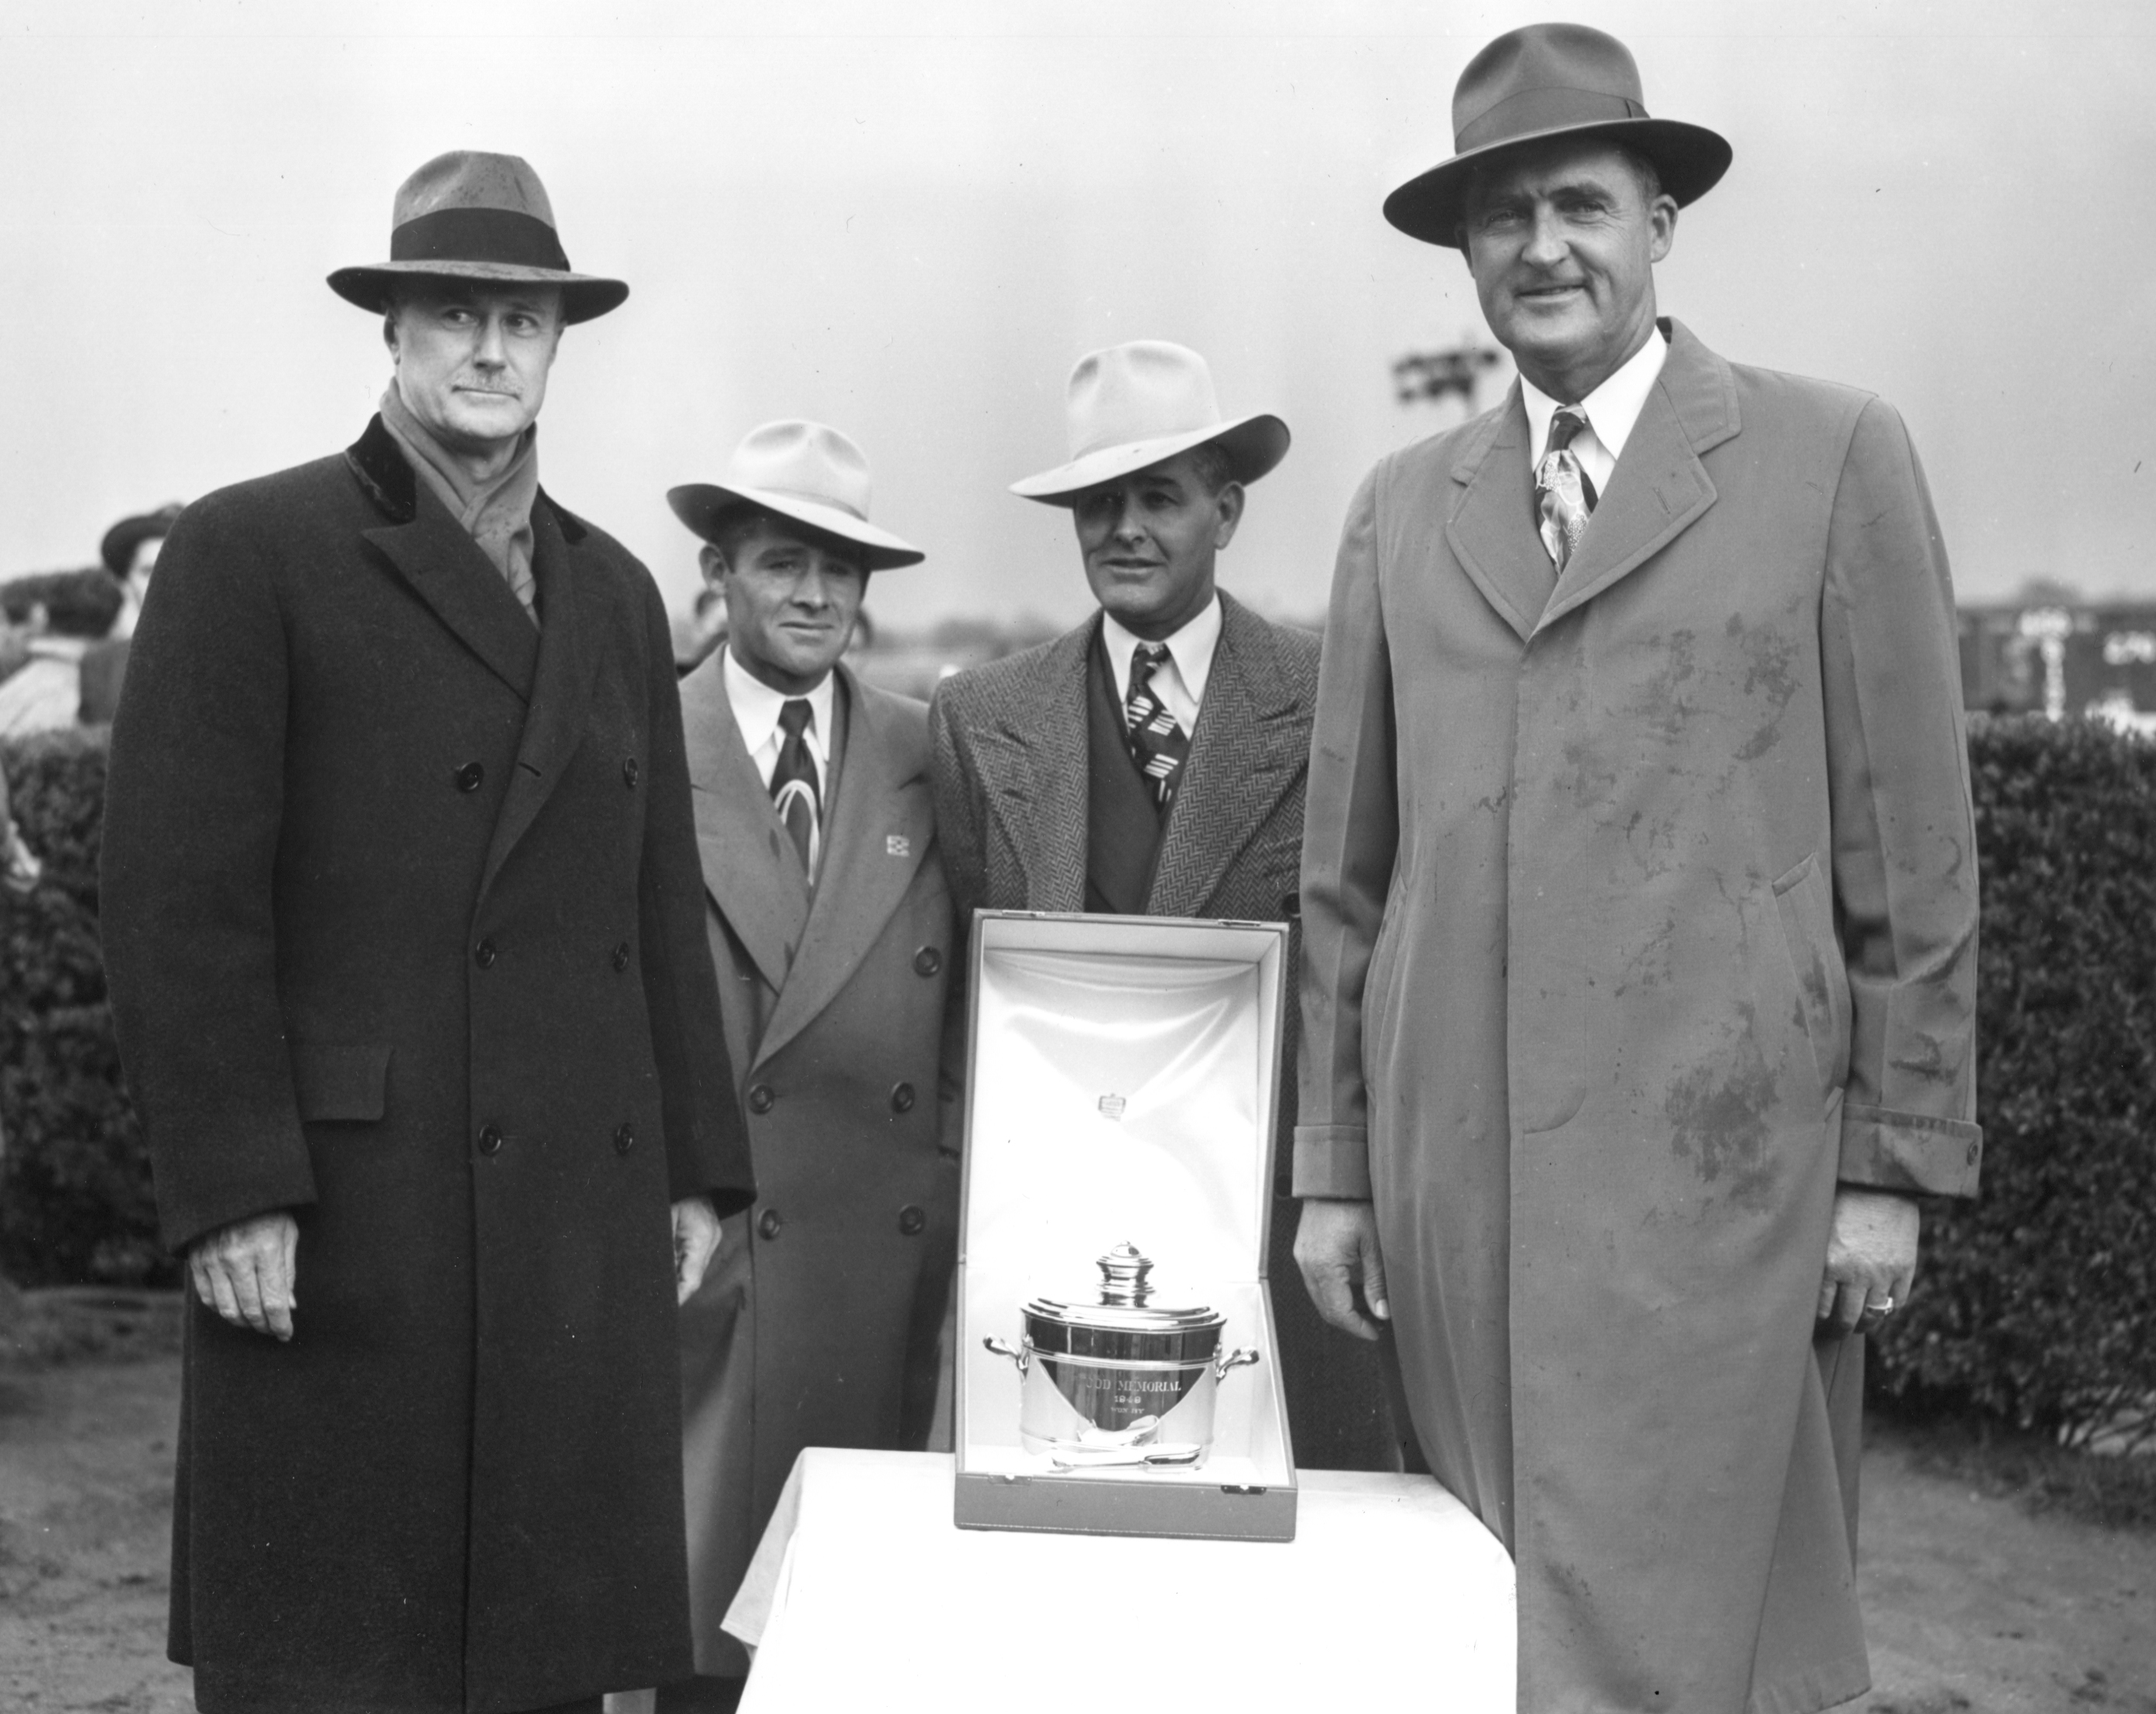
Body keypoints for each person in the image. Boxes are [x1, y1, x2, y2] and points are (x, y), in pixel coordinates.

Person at [1294, 25, 1981, 1711]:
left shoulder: (1830, 456)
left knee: (1717, 1652)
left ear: (1660, 219)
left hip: (1725, 1204)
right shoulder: (1399, 507)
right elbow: (1344, 881)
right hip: (1462, 1212)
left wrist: (1890, 1163)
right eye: (1501, 216)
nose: (1542, 248)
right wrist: (1333, 1166)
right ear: (1462, 252)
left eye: (1580, 204)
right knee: (1480, 1636)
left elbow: (1916, 851)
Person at [98, 151, 754, 1714]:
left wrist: (695, 1163)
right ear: (391, 335)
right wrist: (230, 1189)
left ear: (555, 344)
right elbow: (177, 904)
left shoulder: (608, 593)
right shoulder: (251, 552)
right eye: (450, 314)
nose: (485, 351)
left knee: (534, 1666)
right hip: (339, 1214)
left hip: (569, 1225)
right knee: (332, 1661)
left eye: (518, 322)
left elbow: (653, 895)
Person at [931, 339, 1399, 1472]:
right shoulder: (982, 715)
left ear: (1227, 511)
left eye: (1159, 497)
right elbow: (965, 979)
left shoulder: (1335, 700)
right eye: (1098, 502)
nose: (1124, 527)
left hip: (1266, 1230)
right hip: (1056, 1229)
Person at [621, 421, 956, 1714]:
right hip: (710, 1250)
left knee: (844, 1638)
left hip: (883, 1264)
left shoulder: (933, 751)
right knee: (699, 1637)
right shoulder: (645, 736)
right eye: (781, 561)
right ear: (718, 570)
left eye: (842, 567)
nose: (817, 593)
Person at [78, 502, 182, 725]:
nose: (163, 583)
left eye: (177, 568)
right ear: (126, 583)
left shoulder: (233, 658)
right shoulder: (99, 665)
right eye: (148, 571)